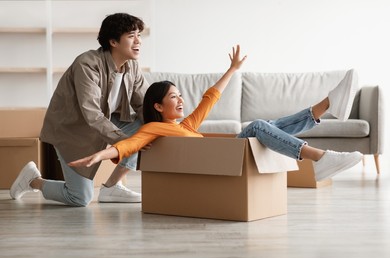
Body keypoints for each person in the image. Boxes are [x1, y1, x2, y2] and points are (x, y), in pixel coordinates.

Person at [67, 45, 362, 181]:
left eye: (180, 95)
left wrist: (232, 69)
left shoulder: (187, 125)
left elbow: (210, 98)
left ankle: (327, 106)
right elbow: (127, 146)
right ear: (157, 106)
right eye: (174, 97)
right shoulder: (154, 129)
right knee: (260, 125)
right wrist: (100, 155)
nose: (181, 101)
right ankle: (319, 156)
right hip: (224, 159)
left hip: (230, 150)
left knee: (267, 126)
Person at [10, 13, 150, 206]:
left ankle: (111, 187)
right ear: (113, 41)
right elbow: (91, 114)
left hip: (107, 122)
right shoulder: (87, 64)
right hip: (73, 130)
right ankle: (33, 180)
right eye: (131, 36)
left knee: (147, 127)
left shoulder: (132, 66)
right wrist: (126, 142)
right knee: (79, 198)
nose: (138, 41)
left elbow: (144, 105)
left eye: (139, 35)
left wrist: (164, 128)